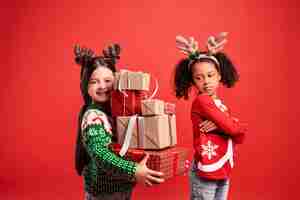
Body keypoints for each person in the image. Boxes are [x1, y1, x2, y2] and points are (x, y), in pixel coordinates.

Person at [74, 43, 164, 200]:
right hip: (104, 193)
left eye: (108, 80)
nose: (102, 86)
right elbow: (101, 153)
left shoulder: (118, 111)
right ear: (85, 87)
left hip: (123, 186)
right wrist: (133, 170)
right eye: (94, 81)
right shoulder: (93, 116)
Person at [174, 33, 247, 200]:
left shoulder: (219, 104)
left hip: (220, 167)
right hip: (206, 168)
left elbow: (236, 136)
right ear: (193, 82)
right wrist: (231, 125)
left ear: (219, 76)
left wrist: (222, 125)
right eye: (199, 78)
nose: (206, 81)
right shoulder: (203, 101)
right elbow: (233, 129)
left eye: (210, 75)